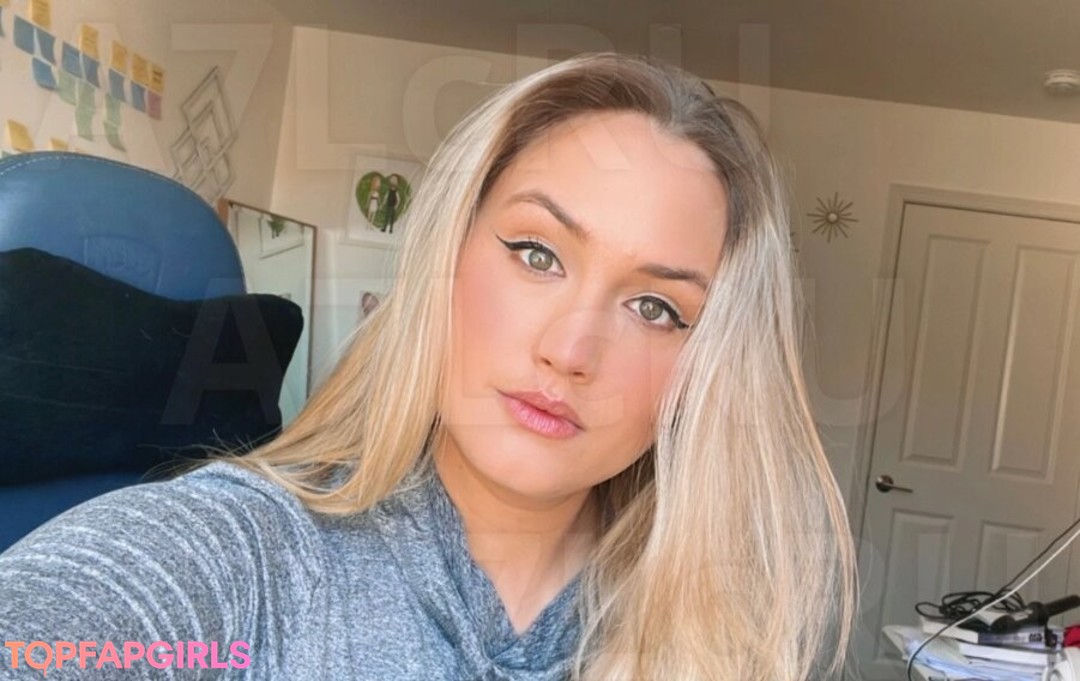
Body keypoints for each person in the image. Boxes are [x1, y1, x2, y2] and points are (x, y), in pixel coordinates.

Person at [0, 53, 855, 680]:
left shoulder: (727, 634)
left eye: (656, 308)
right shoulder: (243, 559)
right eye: (537, 253)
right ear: (446, 257)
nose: (570, 351)